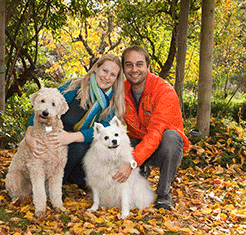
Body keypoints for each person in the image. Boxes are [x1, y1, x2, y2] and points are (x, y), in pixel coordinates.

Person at [25, 53, 125, 189]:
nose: (107, 77)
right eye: (105, 70)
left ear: (117, 79)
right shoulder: (74, 86)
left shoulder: (112, 103)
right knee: (48, 142)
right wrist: (29, 135)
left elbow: (103, 131)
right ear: (96, 68)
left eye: (113, 75)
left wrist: (71, 137)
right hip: (53, 134)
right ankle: (36, 181)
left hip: (76, 145)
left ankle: (59, 184)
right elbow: (43, 108)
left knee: (81, 147)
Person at [112, 45, 189, 210]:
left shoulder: (164, 91)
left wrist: (132, 161)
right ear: (123, 69)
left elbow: (156, 133)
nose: (134, 69)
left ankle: (164, 194)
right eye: (129, 64)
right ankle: (137, 172)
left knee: (171, 138)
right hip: (137, 141)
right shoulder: (120, 90)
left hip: (161, 144)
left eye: (139, 64)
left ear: (148, 66)